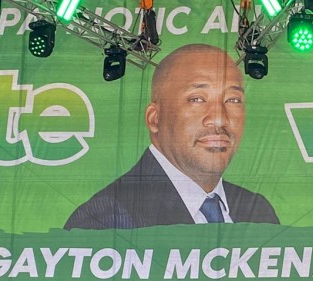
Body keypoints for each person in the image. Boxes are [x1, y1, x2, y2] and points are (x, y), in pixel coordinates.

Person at [65, 43, 279, 229]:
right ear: (154, 118)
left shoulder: (258, 212)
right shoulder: (106, 218)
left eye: (233, 100)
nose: (219, 119)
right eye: (197, 99)